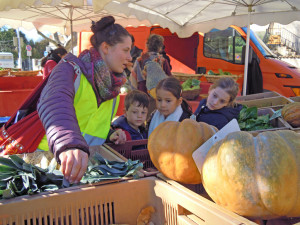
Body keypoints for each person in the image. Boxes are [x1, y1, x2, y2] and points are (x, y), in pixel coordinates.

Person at [36, 16, 132, 184]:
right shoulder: (70, 69)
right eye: (126, 50)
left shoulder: (112, 88)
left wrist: (110, 134)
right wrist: (69, 144)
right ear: (106, 47)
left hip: (83, 173)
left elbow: (89, 122)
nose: (130, 57)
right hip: (45, 167)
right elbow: (53, 101)